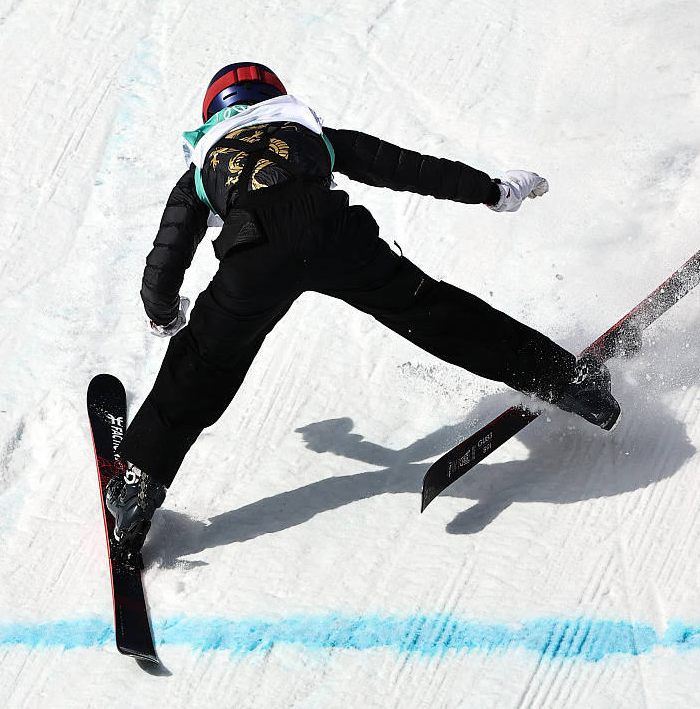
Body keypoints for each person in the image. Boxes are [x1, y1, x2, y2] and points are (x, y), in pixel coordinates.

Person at [104, 61, 621, 563]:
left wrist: (166, 314)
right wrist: (492, 190)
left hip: (253, 257)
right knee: (431, 308)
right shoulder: (308, 132)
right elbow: (402, 166)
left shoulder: (204, 163)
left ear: (213, 113)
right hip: (336, 236)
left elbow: (168, 252)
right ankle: (565, 378)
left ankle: (137, 486)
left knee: (200, 365)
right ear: (276, 98)